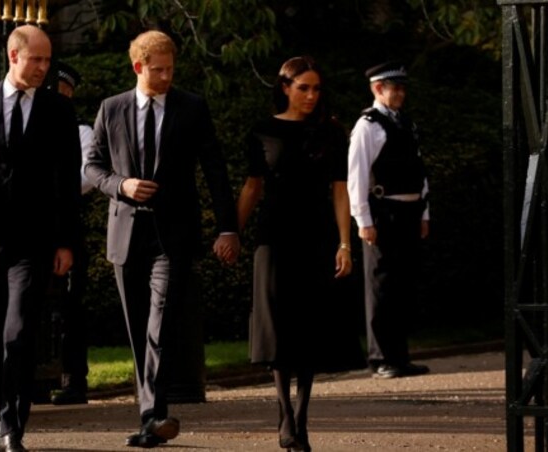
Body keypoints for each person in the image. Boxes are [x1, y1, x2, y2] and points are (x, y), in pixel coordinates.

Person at [84, 29, 240, 449]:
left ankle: (154, 414)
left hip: (173, 236)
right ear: (139, 67)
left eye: (171, 68)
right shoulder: (111, 108)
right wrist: (122, 185)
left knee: (161, 321)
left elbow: (215, 169)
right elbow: (93, 167)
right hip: (126, 233)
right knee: (138, 328)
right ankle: (148, 418)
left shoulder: (191, 107)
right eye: (159, 70)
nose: (167, 76)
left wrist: (228, 227)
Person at [0, 25, 81, 452]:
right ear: (13, 56)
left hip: (35, 240)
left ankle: (13, 423)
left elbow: (66, 181)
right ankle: (2, 417)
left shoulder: (58, 111)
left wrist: (67, 242)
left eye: (48, 60)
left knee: (19, 331)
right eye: (37, 60)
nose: (45, 68)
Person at [236, 56, 353, 452]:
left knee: (309, 330)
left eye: (316, 88)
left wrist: (344, 242)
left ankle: (300, 419)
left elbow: (341, 190)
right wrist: (230, 232)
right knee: (277, 329)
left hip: (317, 236)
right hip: (274, 237)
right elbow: (252, 187)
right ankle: (284, 413)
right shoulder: (262, 131)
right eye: (303, 87)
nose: (311, 95)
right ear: (284, 87)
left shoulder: (331, 132)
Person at [347, 60, 431, 379]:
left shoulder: (406, 124)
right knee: (380, 285)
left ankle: (400, 356)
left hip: (409, 211)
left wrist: (424, 211)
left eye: (402, 88)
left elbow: (419, 171)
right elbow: (356, 176)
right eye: (394, 88)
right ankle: (380, 357)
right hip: (383, 213)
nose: (400, 93)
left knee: (403, 285)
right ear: (377, 89)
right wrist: (362, 220)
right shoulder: (367, 126)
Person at [49, 60, 93, 406]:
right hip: (36, 226)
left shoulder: (81, 132)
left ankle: (73, 378)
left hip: (66, 224)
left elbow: (87, 177)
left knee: (70, 307)